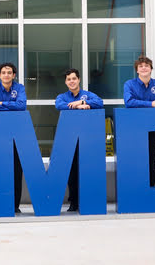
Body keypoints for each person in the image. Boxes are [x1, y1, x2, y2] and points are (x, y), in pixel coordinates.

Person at [55, 68, 104, 212]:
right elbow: (59, 105)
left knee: (86, 170)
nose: (72, 81)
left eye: (74, 78)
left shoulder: (88, 95)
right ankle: (74, 202)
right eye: (69, 79)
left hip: (86, 139)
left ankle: (87, 200)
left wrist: (81, 102)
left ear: (79, 80)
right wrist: (79, 104)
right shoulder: (63, 96)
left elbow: (99, 102)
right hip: (69, 138)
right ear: (66, 82)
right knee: (71, 172)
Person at [123, 55, 155, 187]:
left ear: (151, 69)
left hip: (151, 131)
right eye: (141, 66)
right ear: (137, 70)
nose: (144, 68)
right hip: (134, 130)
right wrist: (152, 104)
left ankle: (150, 191)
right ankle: (136, 192)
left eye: (146, 66)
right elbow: (129, 102)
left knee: (151, 162)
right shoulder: (129, 84)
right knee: (135, 162)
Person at [0, 62, 26, 213]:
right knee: (0, 170)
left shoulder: (19, 88)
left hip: (17, 136)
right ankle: (1, 203)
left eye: (9, 72)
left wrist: (2, 103)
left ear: (14, 75)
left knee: (17, 170)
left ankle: (15, 206)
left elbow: (22, 105)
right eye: (3, 72)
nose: (6, 75)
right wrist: (11, 104)